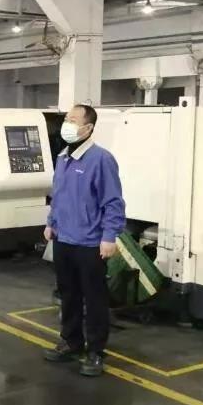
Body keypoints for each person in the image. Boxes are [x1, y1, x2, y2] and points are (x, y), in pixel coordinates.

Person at [43, 104, 126, 377]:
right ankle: (71, 341)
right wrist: (51, 223)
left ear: (88, 128)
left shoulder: (101, 159)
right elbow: (59, 194)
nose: (67, 124)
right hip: (64, 238)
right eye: (66, 119)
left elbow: (113, 202)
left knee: (94, 298)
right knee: (68, 294)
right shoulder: (63, 157)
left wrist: (109, 236)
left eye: (73, 120)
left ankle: (95, 351)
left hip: (90, 242)